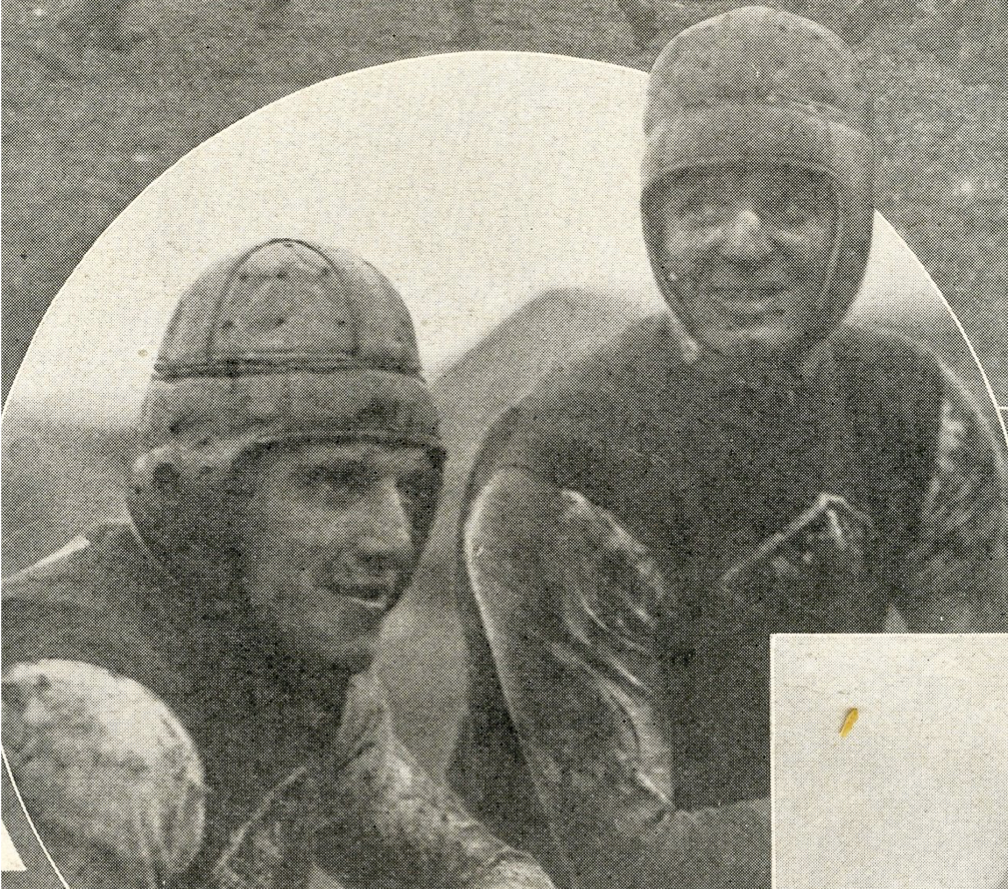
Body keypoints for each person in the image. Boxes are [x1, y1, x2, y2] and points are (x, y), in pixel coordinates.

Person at [447, 8, 1008, 889]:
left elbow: (988, 720)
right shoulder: (565, 474)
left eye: (788, 204)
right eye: (701, 207)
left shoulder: (912, 407)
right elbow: (629, 862)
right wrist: (924, 795)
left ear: (852, 218)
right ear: (657, 230)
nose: (742, 245)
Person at [1, 238, 556, 889]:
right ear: (207, 499)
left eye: (406, 487)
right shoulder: (89, 725)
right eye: (335, 483)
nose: (394, 537)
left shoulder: (293, 659)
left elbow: (455, 863)